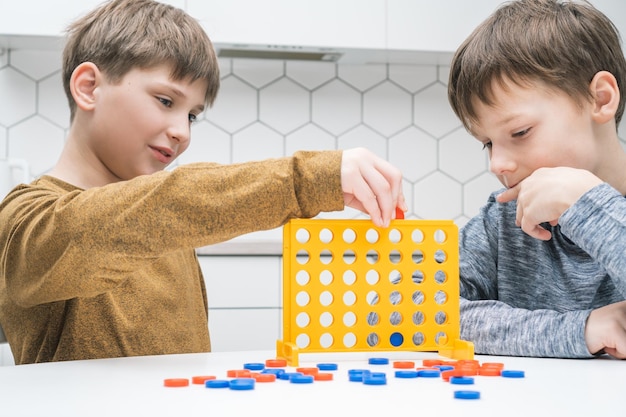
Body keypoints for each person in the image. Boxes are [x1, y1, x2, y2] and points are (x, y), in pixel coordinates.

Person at [0, 0, 406, 365]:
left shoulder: (165, 226)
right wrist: (308, 180)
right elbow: (160, 208)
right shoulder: (26, 220)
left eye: (192, 115)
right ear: (89, 87)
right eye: (165, 101)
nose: (182, 132)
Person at [448, 0, 626, 359]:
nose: (497, 164)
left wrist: (588, 206)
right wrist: (582, 329)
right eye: (487, 144)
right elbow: (405, 312)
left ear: (600, 99)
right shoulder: (503, 222)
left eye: (520, 132)